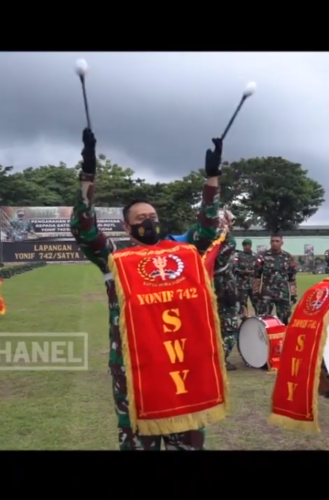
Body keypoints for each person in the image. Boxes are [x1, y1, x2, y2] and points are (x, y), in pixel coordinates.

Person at [70, 128, 222, 450]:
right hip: (135, 370)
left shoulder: (181, 252)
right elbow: (84, 229)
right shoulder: (115, 258)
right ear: (127, 227)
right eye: (141, 218)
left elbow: (208, 229)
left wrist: (212, 180)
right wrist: (87, 177)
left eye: (153, 216)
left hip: (180, 364)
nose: (149, 222)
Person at [212, 209, 240, 371]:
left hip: (206, 288)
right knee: (230, 327)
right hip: (224, 289)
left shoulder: (200, 242)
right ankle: (220, 360)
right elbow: (223, 262)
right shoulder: (228, 241)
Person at [253, 235, 298, 325]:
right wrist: (255, 292)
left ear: (282, 243)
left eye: (277, 241)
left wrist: (293, 294)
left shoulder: (288, 257)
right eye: (272, 241)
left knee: (284, 318)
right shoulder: (262, 256)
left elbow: (292, 278)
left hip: (283, 293)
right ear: (270, 242)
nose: (275, 243)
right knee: (264, 318)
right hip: (267, 293)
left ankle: (283, 337)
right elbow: (257, 276)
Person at [234, 238, 259, 317]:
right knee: (243, 303)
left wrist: (254, 272)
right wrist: (244, 272)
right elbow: (234, 268)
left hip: (253, 284)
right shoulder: (238, 256)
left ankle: (258, 318)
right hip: (242, 284)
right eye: (244, 245)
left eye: (248, 245)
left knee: (256, 302)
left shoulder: (255, 256)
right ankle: (244, 319)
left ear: (251, 245)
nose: (246, 247)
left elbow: (259, 268)